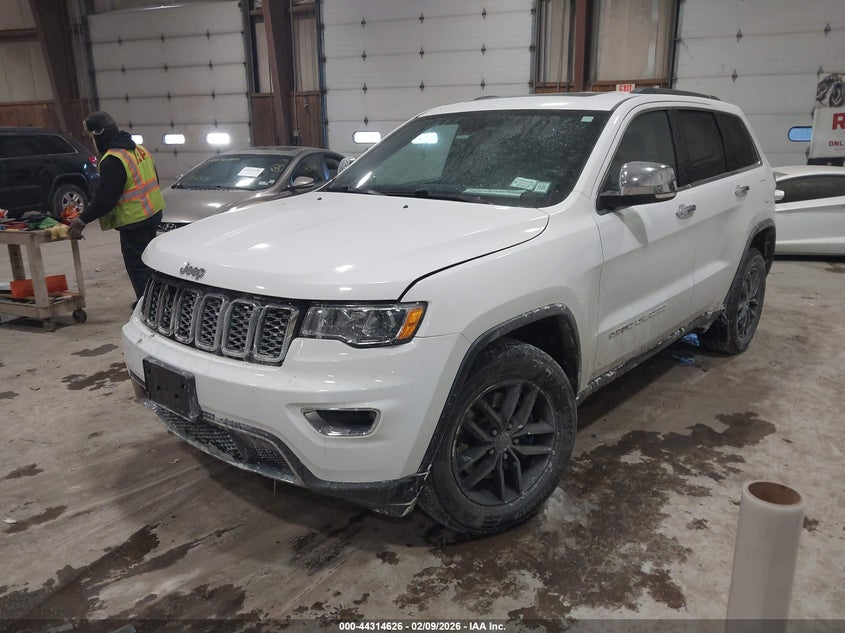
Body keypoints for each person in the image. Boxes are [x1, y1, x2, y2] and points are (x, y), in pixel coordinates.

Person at [68, 111, 165, 303]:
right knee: (150, 263)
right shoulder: (139, 150)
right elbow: (154, 179)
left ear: (99, 134)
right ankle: (155, 303)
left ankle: (147, 307)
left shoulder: (113, 159)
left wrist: (82, 219)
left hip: (134, 220)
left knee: (137, 265)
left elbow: (105, 197)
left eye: (91, 137)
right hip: (152, 213)